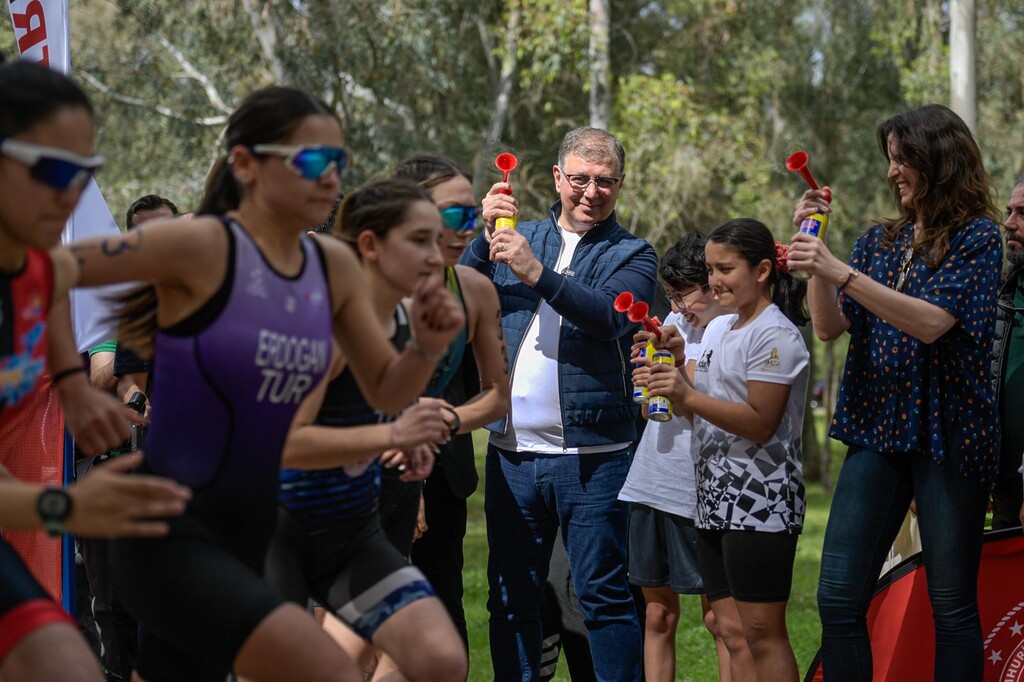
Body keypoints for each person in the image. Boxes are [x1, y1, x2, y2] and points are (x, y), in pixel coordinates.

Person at [60, 85, 464, 682]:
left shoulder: (330, 264)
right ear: (246, 165)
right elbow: (46, 268)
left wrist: (428, 346)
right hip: (183, 531)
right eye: (310, 161)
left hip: (296, 527)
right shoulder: (199, 244)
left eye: (339, 163)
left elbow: (382, 386)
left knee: (441, 658)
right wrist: (73, 388)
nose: (330, 177)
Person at [787, 103, 1002, 681]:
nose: (892, 173)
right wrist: (815, 256)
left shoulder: (979, 239)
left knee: (951, 605)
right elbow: (831, 326)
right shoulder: (879, 242)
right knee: (837, 598)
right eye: (889, 160)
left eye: (902, 159)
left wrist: (839, 273)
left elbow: (933, 322)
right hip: (877, 428)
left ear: (940, 161)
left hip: (951, 437)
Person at [0, 58, 190, 682]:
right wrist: (70, 508)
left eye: (86, 172)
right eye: (56, 169)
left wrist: (81, 391)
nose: (75, 193)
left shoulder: (41, 269)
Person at [462, 126, 656, 680]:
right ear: (557, 178)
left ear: (620, 184)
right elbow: (458, 294)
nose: (591, 192)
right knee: (510, 599)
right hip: (512, 456)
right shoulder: (514, 236)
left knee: (603, 600)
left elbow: (611, 318)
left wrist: (534, 272)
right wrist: (480, 240)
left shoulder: (634, 253)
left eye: (605, 182)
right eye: (579, 179)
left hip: (597, 459)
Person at [266, 178, 467, 682]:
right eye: (418, 240)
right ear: (370, 246)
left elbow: (381, 406)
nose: (435, 252)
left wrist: (422, 360)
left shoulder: (396, 319)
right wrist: (392, 436)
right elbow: (284, 442)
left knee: (438, 657)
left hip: (348, 529)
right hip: (274, 526)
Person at [647, 218, 810, 682]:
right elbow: (703, 402)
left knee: (763, 633)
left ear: (761, 271)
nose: (714, 280)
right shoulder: (721, 330)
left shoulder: (775, 334)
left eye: (725, 269)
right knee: (732, 631)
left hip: (763, 501)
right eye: (710, 269)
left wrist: (686, 394)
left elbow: (760, 422)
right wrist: (675, 367)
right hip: (714, 498)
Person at [393, 154, 511, 649]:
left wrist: (444, 422)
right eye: (455, 215)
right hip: (350, 480)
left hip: (438, 471)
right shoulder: (356, 283)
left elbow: (496, 396)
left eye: (474, 215)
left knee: (441, 628)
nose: (470, 228)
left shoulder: (475, 290)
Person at [619, 232, 736, 682]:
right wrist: (647, 379)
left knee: (719, 620)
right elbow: (654, 411)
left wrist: (678, 368)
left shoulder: (733, 327)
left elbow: (717, 408)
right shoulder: (672, 323)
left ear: (711, 283)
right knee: (657, 615)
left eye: (684, 293)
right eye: (671, 296)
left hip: (701, 489)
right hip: (654, 479)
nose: (679, 305)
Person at [992, 177, 1024, 530]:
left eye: (1022, 213)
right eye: (1009, 211)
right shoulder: (1001, 289)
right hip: (1005, 489)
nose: (1009, 223)